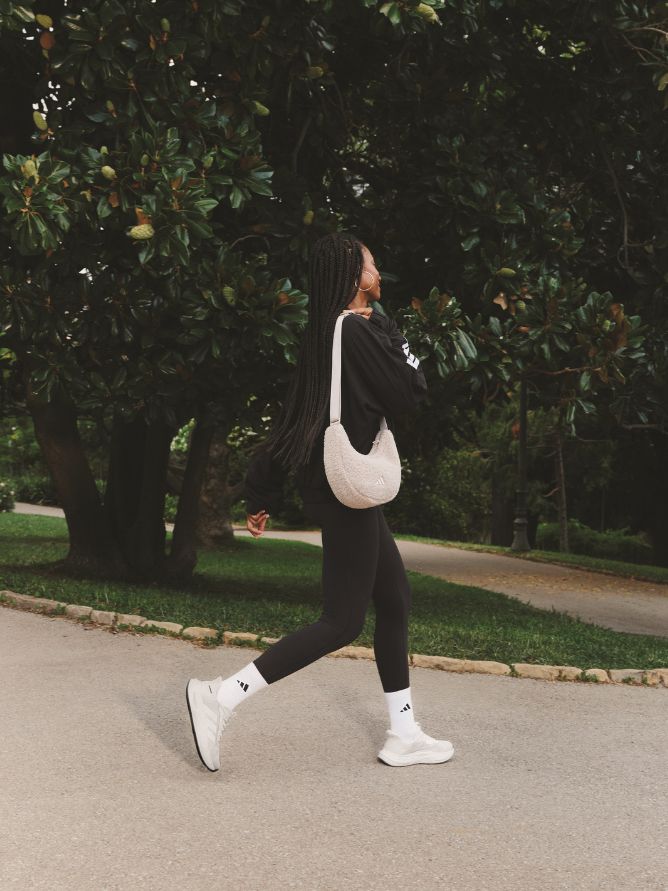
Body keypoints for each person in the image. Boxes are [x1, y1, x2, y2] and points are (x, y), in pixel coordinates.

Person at [186, 232, 454, 772]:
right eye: (371, 263)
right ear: (353, 275)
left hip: (338, 486)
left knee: (395, 598)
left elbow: (293, 420)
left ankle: (403, 732)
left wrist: (259, 491)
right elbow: (411, 391)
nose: (380, 270)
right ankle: (222, 694)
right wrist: (389, 327)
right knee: (341, 621)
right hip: (345, 489)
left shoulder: (325, 336)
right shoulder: (357, 330)